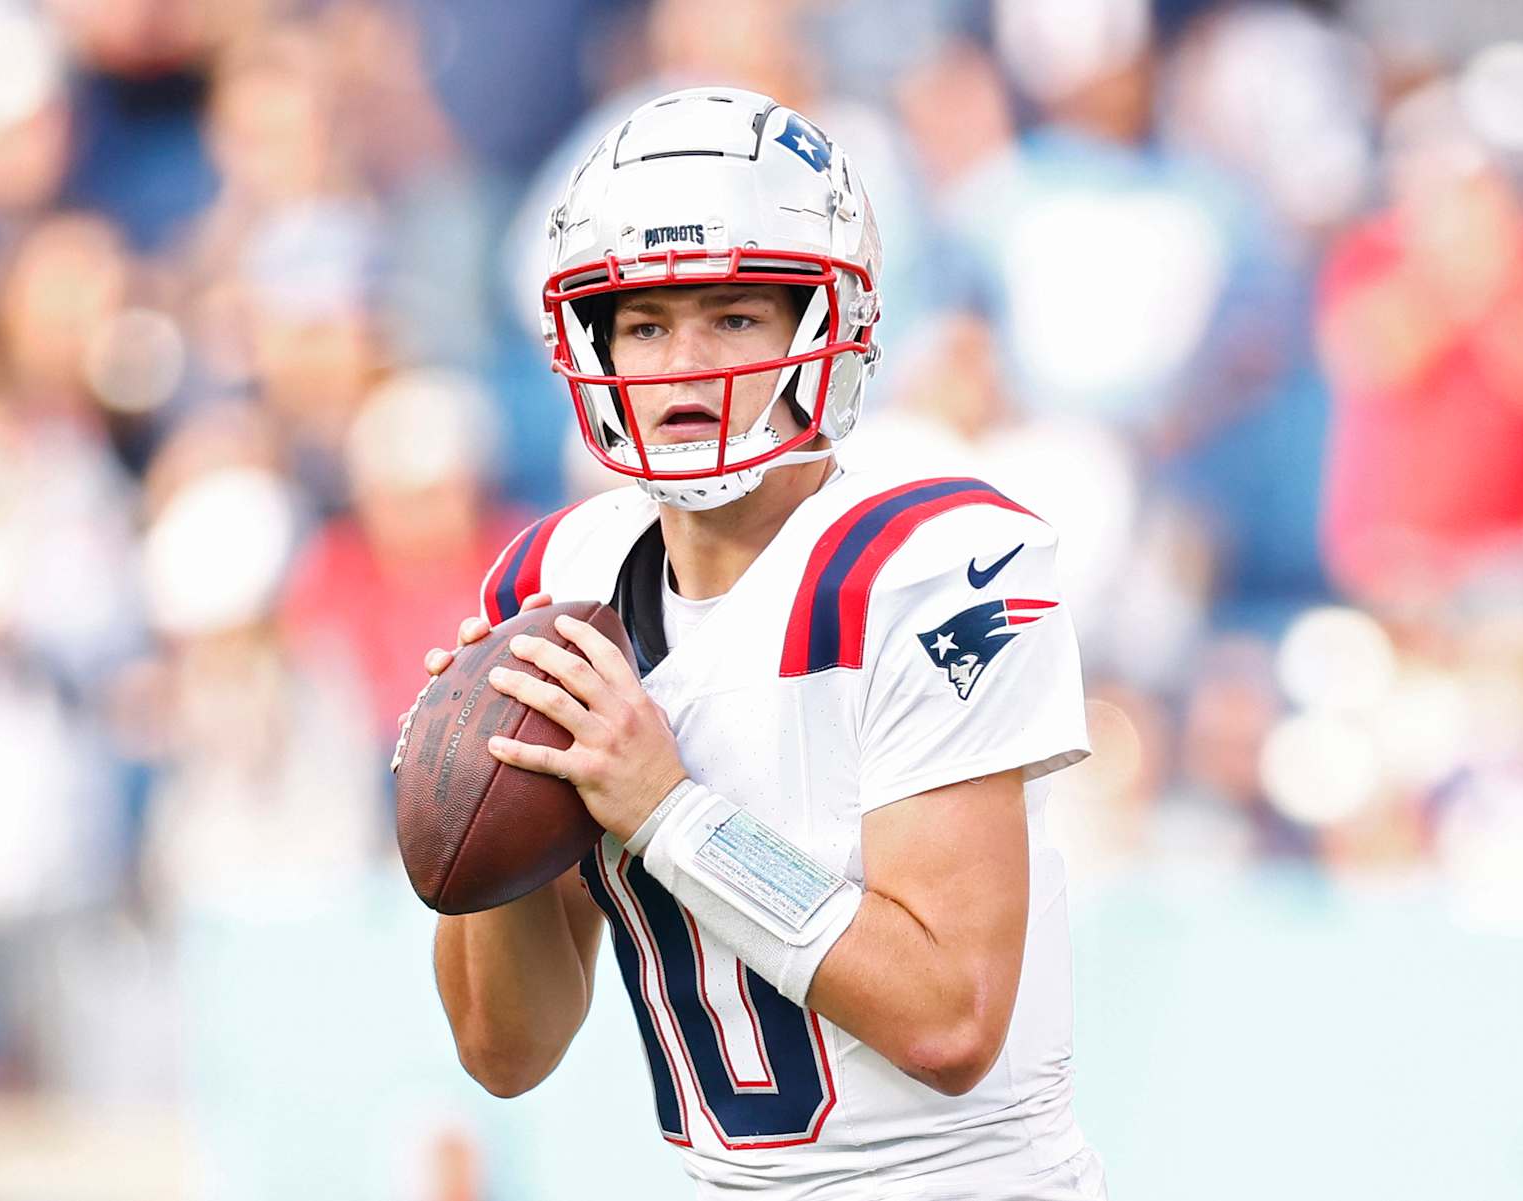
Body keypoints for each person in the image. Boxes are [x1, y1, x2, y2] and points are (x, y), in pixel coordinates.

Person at [412, 88, 1105, 1200]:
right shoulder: (557, 584)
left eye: (735, 317)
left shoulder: (935, 567)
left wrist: (670, 811)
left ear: (824, 329)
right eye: (645, 324)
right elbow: (506, 1053)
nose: (684, 364)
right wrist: (488, 801)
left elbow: (949, 1018)